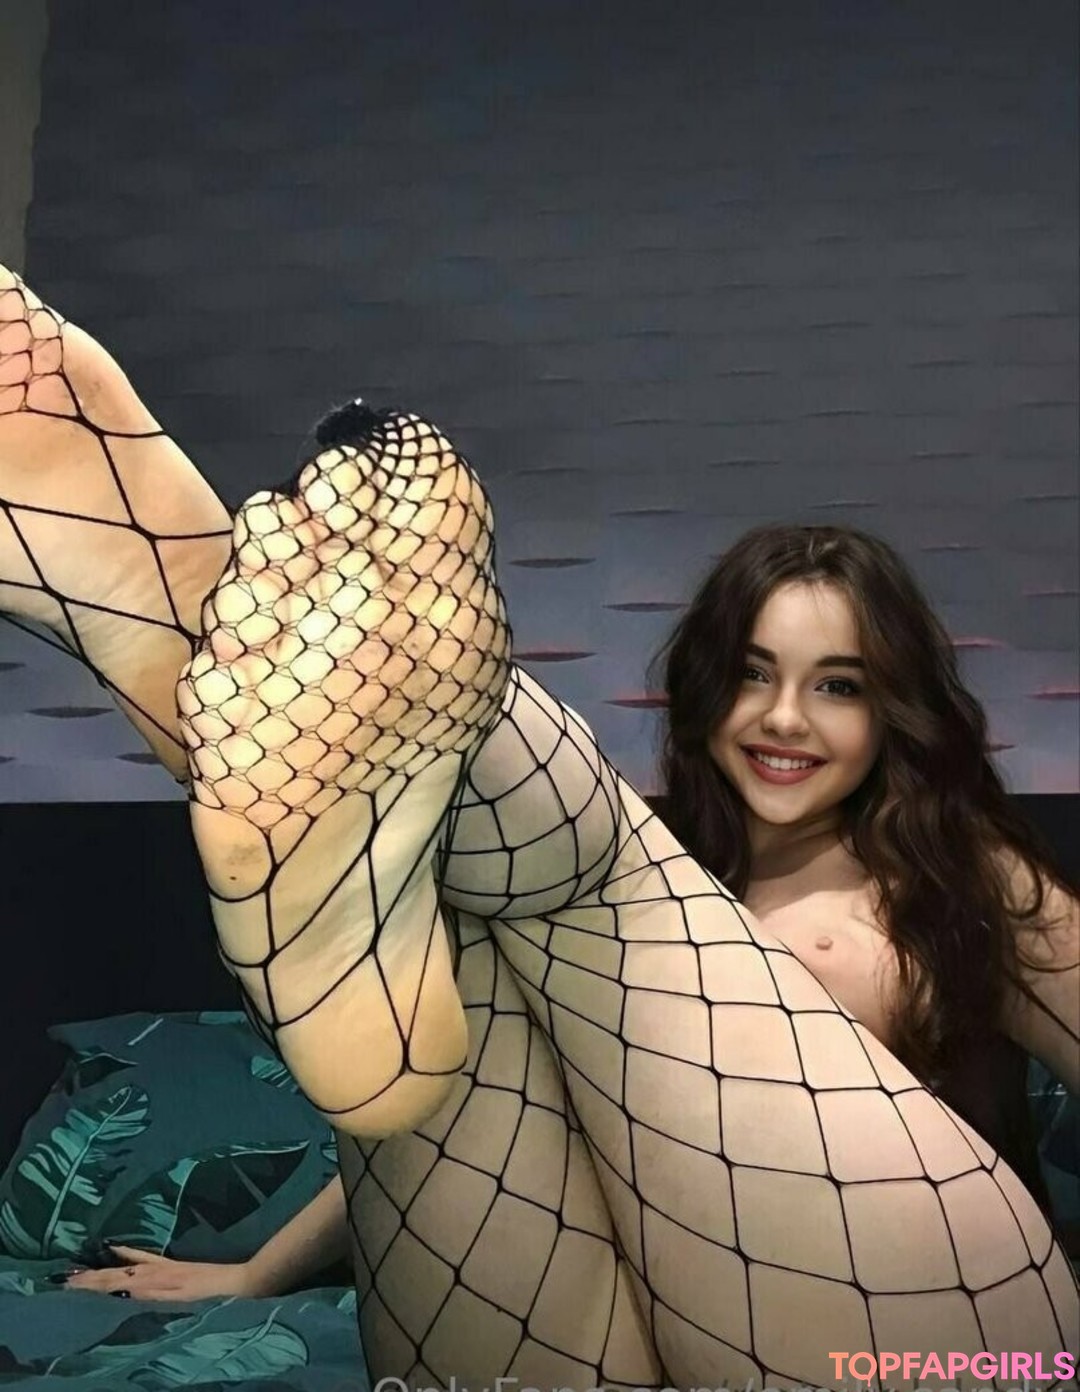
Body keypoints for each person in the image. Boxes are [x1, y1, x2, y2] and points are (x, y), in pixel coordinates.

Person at [1, 264, 1077, 1388]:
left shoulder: (966, 877)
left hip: (919, 1338)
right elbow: (413, 1086)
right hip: (591, 1344)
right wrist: (252, 1275)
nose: (784, 720)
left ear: (896, 708)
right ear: (707, 684)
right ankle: (325, 718)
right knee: (466, 948)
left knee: (578, 880)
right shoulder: (677, 861)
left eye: (838, 686)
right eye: (754, 674)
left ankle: (187, 585)